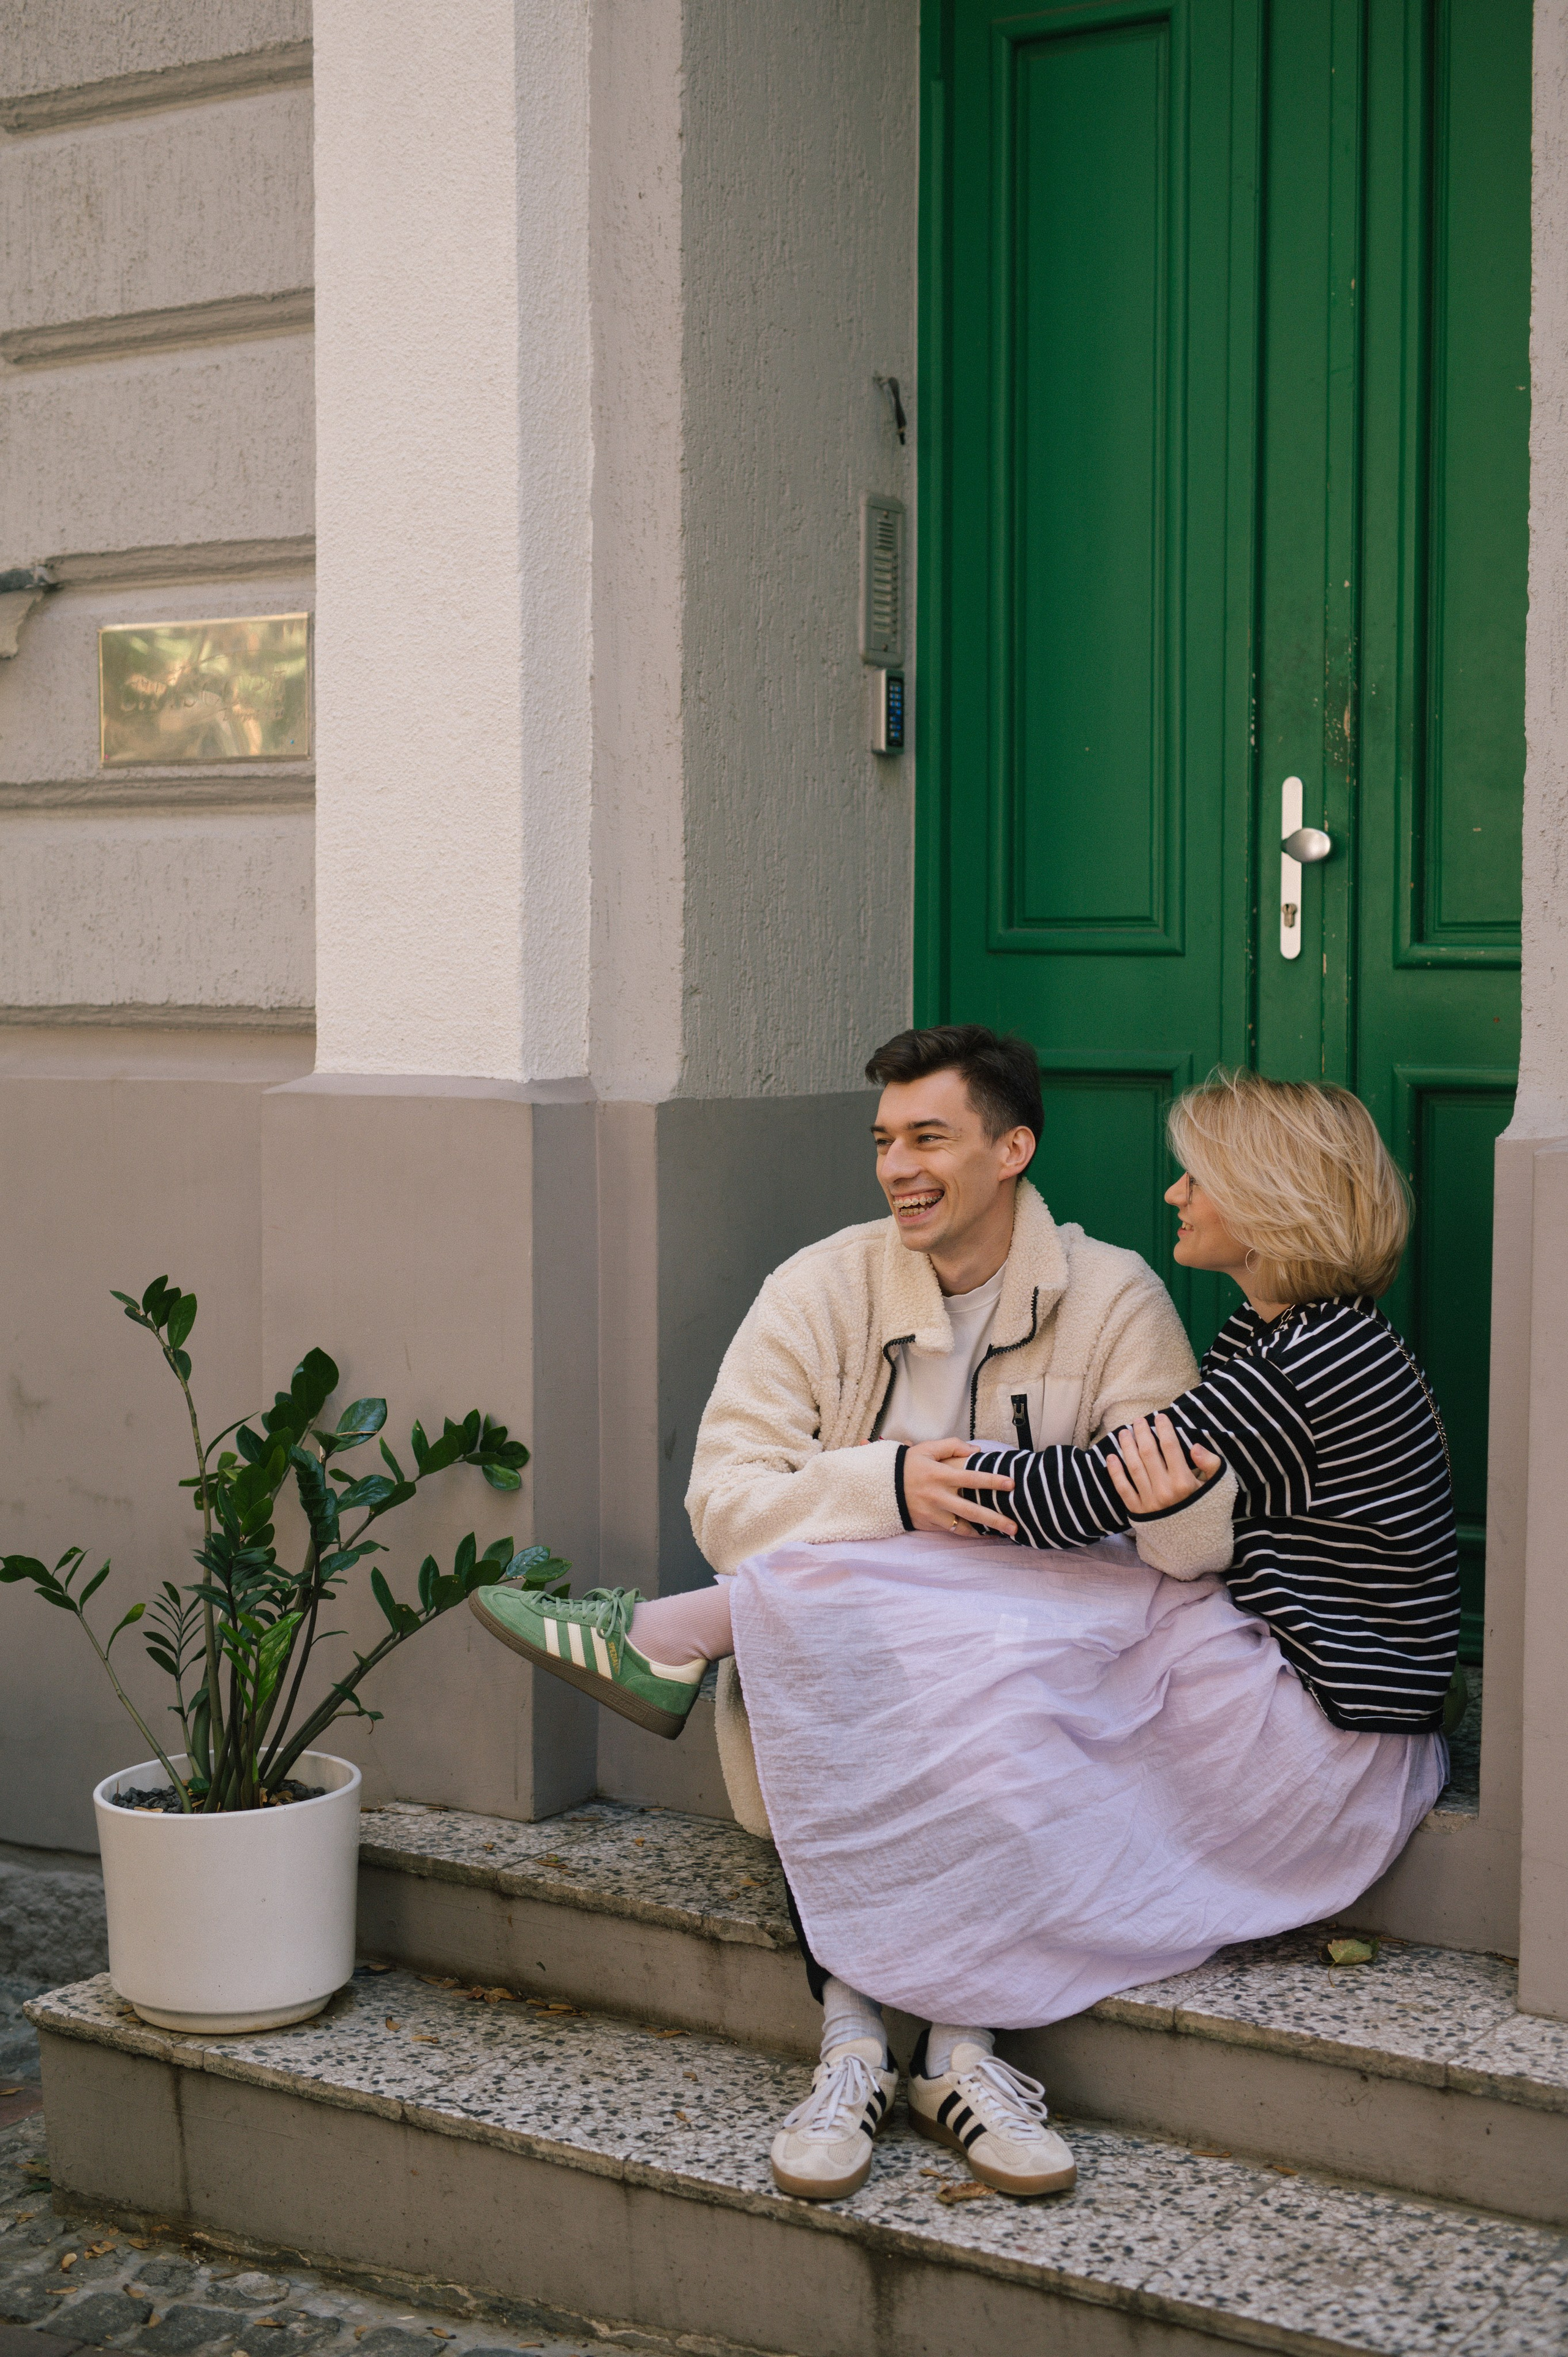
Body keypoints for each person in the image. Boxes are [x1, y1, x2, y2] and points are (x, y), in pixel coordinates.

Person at [472, 1025, 1237, 2197]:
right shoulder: (819, 1287)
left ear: (1013, 1148)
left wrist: (1174, 1489)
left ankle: (931, 2048)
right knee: (865, 1660)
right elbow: (725, 1506)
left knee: (977, 1683)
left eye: (930, 1137)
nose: (898, 1168)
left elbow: (1189, 1547)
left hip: (1047, 1670)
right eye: (884, 1140)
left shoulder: (1113, 1295)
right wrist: (891, 1485)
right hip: (858, 1672)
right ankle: (890, 2050)